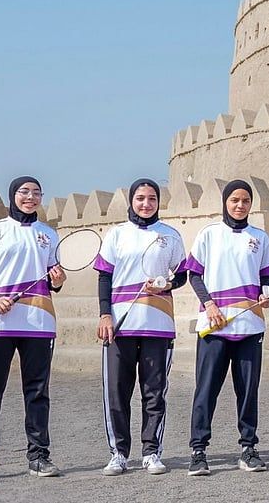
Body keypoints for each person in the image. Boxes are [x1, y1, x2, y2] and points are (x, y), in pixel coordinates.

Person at [0, 175, 67, 482]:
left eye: (36, 193)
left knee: (37, 393)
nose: (30, 197)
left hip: (38, 323)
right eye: (24, 192)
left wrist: (58, 281)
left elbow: (52, 279)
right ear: (13, 195)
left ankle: (39, 456)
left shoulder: (49, 235)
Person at [94, 178, 188, 476]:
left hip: (157, 325)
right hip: (120, 326)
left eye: (152, 198)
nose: (146, 204)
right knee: (117, 392)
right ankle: (118, 453)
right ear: (131, 201)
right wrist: (105, 315)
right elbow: (104, 277)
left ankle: (151, 452)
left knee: (154, 392)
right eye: (140, 198)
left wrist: (167, 284)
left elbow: (182, 275)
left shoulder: (170, 235)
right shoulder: (117, 234)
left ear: (158, 202)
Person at [185, 180, 269, 475]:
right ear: (225, 202)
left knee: (248, 391)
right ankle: (198, 451)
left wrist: (265, 294)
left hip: (250, 325)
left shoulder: (260, 238)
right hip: (215, 325)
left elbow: (266, 277)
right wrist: (209, 304)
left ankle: (248, 449)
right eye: (235, 200)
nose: (240, 205)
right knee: (206, 390)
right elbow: (194, 274)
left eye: (245, 200)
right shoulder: (209, 234)